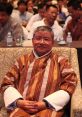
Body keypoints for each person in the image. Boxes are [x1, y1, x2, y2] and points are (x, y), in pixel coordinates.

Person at [0, 26, 77, 117]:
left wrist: (45, 103)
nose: (41, 42)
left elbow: (70, 84)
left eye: (46, 39)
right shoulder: (22, 60)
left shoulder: (62, 62)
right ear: (32, 41)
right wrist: (19, 102)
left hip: (49, 107)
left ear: (52, 42)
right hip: (22, 107)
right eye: (38, 38)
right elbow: (7, 83)